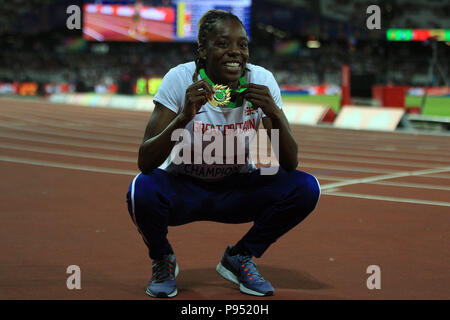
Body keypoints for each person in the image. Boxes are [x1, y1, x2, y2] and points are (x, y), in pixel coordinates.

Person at [126, 10, 321, 298]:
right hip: (184, 189)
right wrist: (183, 117)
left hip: (236, 190)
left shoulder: (261, 80)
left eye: (242, 44)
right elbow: (146, 162)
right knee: (139, 190)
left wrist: (274, 113)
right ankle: (162, 259)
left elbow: (289, 163)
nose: (235, 52)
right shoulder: (180, 80)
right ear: (203, 50)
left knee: (306, 188)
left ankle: (240, 256)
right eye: (223, 44)